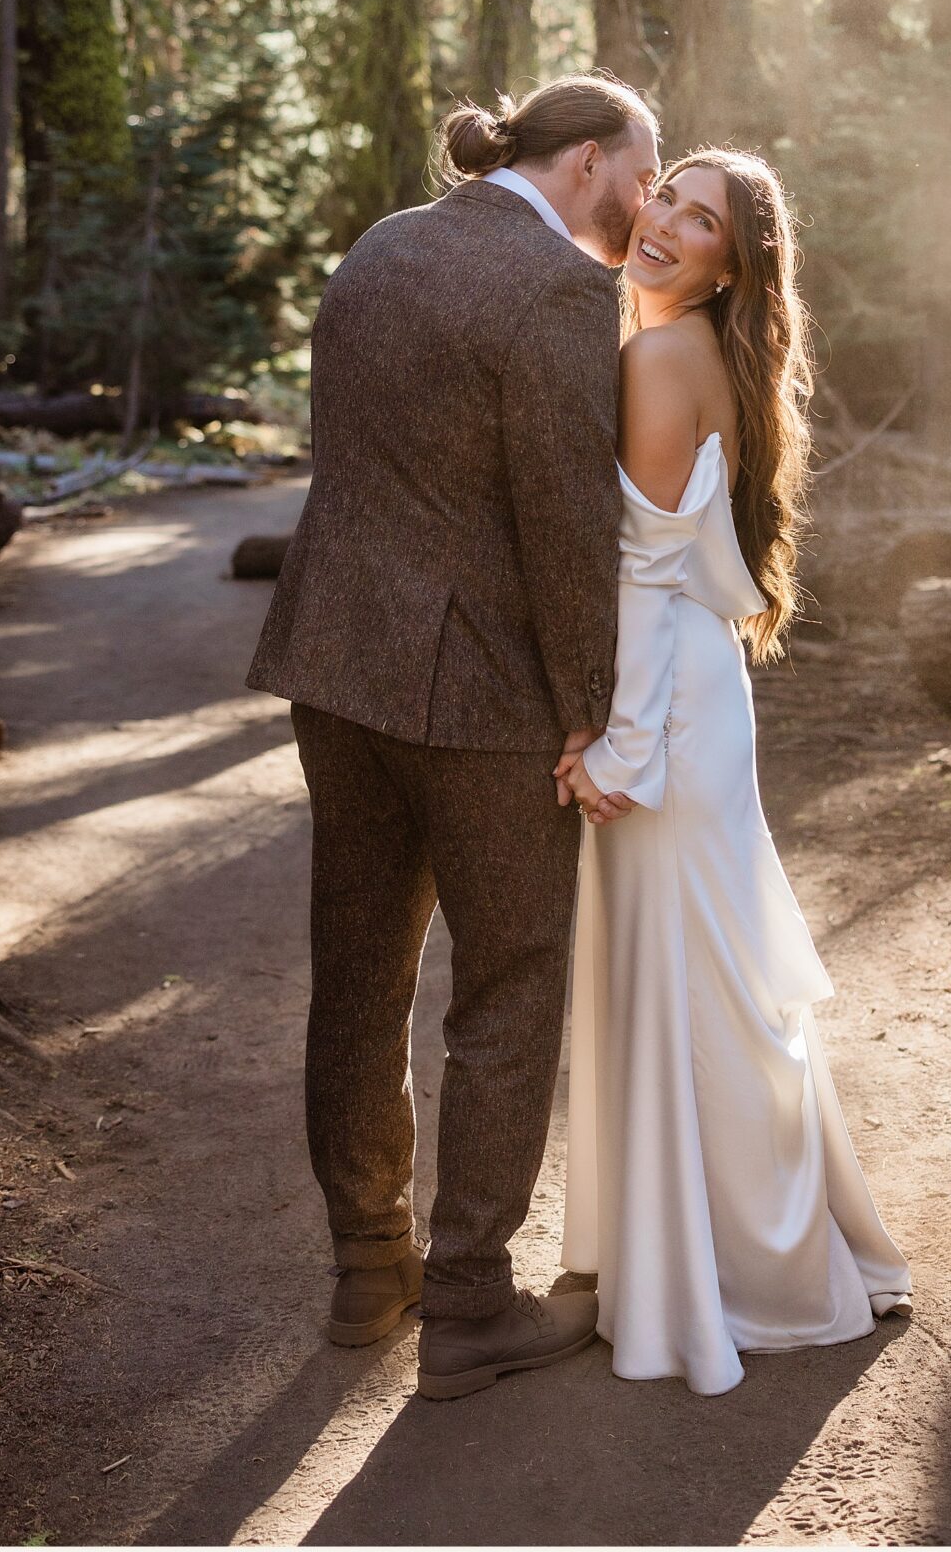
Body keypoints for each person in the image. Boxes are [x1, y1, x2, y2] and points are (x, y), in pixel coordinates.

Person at [246, 73, 660, 1401]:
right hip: (477, 698)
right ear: (590, 160)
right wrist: (595, 713)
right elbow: (563, 524)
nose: (648, 203)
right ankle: (474, 1302)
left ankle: (370, 1268)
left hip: (333, 667)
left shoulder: (383, 245)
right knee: (514, 972)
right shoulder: (555, 293)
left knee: (358, 967)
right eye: (644, 173)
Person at [557, 149, 911, 1395]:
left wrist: (621, 746)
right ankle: (684, 1250)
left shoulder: (661, 356)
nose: (662, 223)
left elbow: (645, 571)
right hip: (692, 689)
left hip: (669, 715)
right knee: (689, 972)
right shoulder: (689, 344)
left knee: (691, 980)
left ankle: (745, 1270)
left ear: (729, 262)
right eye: (666, 197)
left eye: (698, 220)